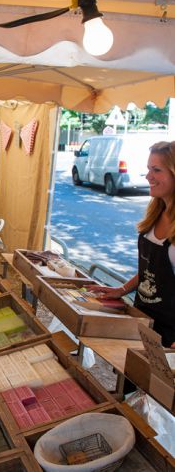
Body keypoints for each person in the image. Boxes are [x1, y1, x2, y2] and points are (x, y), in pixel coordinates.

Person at [89, 141, 175, 347]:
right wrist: (122, 289)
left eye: (156, 170)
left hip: (170, 332)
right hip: (141, 318)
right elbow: (150, 269)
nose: (148, 176)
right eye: (148, 169)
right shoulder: (156, 212)